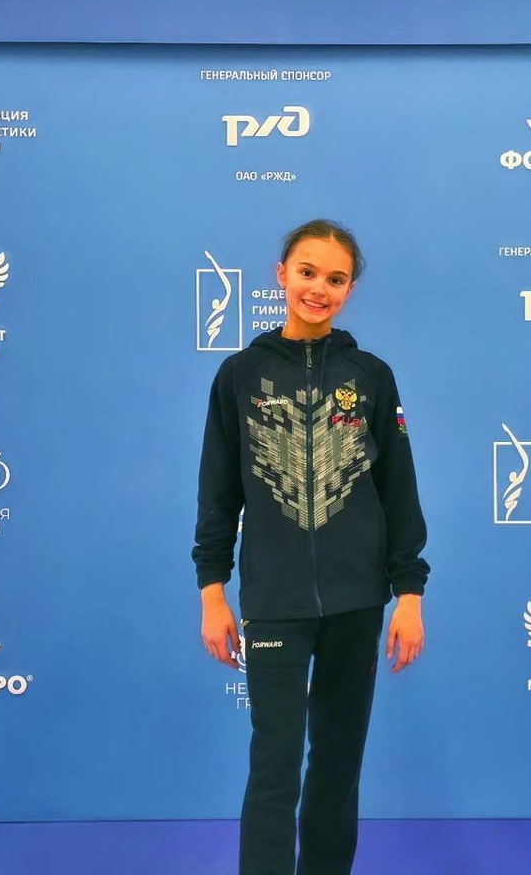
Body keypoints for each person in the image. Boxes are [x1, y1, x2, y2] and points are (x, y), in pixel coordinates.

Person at [193, 219, 429, 875]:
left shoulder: (371, 376)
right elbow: (218, 493)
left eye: (335, 278)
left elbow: (398, 491)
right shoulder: (240, 375)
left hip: (358, 601)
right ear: (281, 274)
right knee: (273, 767)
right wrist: (212, 592)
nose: (318, 288)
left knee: (337, 765)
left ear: (349, 290)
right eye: (307, 272)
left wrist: (409, 594)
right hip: (275, 603)